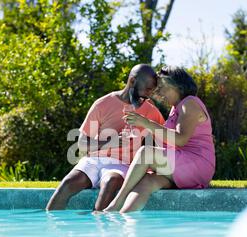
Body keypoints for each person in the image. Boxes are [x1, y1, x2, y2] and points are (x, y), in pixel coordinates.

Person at [46, 64, 165, 211]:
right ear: (132, 81)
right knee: (67, 183)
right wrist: (110, 142)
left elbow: (165, 139)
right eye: (147, 89)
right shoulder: (103, 104)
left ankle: (99, 228)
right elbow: (82, 143)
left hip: (122, 165)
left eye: (151, 91)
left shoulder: (151, 111)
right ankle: (49, 228)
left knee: (110, 182)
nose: (149, 95)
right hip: (94, 161)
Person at [104, 66, 215, 213]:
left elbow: (181, 139)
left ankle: (116, 203)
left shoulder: (190, 103)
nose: (160, 93)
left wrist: (146, 123)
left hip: (197, 164)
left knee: (146, 153)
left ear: (176, 85)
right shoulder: (176, 107)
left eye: (162, 87)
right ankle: (124, 220)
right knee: (146, 182)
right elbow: (168, 141)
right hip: (182, 164)